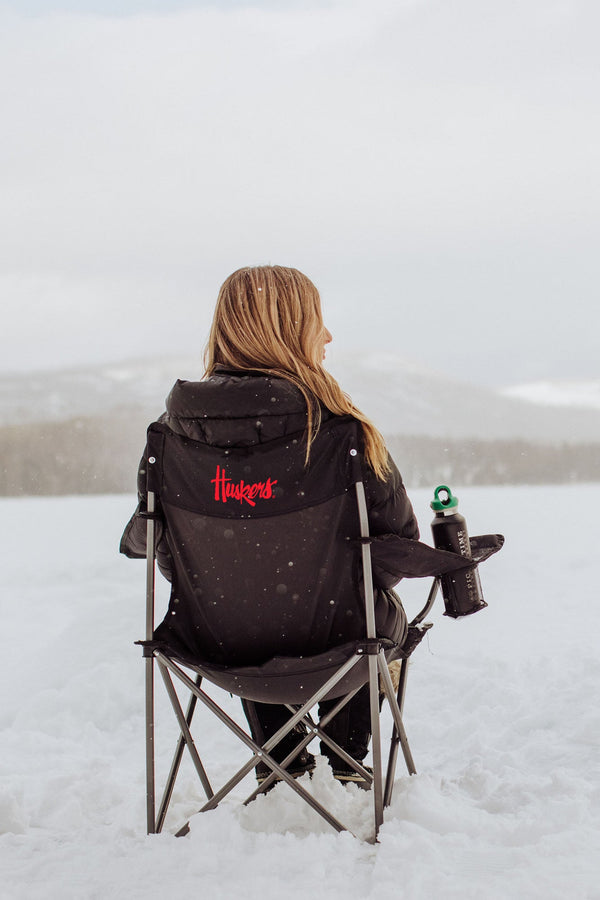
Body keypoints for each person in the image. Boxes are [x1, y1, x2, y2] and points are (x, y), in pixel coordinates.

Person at [121, 265, 419, 787]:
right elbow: (395, 551)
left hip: (219, 651)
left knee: (245, 599)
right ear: (288, 330)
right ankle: (346, 765)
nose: (328, 337)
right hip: (344, 650)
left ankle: (281, 764)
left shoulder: (169, 440)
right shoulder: (342, 434)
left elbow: (170, 560)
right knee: (353, 604)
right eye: (317, 322)